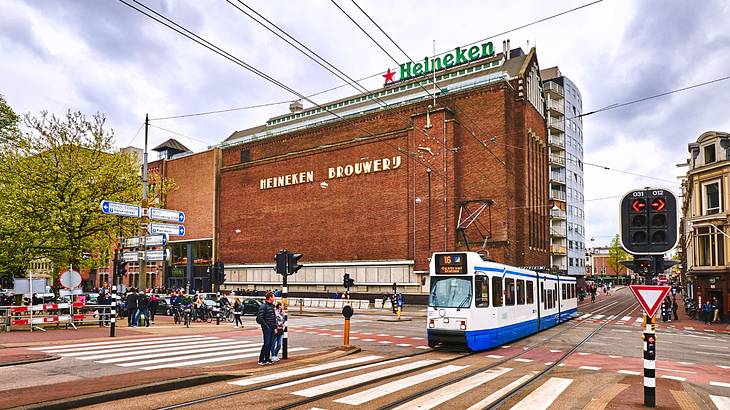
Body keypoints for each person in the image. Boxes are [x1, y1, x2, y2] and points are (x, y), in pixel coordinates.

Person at [257, 291, 277, 365]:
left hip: (271, 327)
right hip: (267, 328)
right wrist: (266, 326)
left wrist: (275, 327)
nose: (274, 298)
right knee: (266, 343)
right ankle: (261, 359)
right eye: (273, 296)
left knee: (270, 343)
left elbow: (273, 318)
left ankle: (267, 358)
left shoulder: (272, 306)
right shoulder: (263, 306)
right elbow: (260, 317)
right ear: (270, 297)